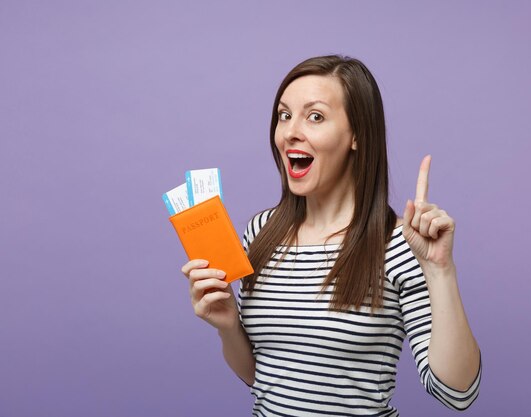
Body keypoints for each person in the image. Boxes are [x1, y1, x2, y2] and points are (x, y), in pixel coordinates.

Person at [181, 55, 481, 416]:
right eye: (284, 115)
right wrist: (228, 325)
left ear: (356, 135)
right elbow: (263, 377)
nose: (290, 131)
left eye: (316, 116)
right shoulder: (260, 233)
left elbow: (457, 392)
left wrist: (440, 271)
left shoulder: (400, 245)